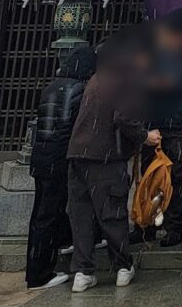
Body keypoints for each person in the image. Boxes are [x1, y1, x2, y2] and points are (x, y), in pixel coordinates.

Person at [66, 32, 159, 291]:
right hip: (105, 155)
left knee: (82, 215)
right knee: (112, 213)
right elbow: (123, 118)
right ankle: (121, 265)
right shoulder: (125, 80)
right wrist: (144, 136)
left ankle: (82, 271)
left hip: (78, 153)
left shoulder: (96, 80)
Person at [25, 43, 95, 289]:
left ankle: (62, 242)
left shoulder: (51, 88)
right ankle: (38, 274)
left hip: (41, 157)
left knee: (41, 214)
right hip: (60, 159)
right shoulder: (80, 90)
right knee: (48, 215)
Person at [141, 9, 182, 248]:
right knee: (151, 178)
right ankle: (148, 223)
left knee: (178, 178)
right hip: (154, 125)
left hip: (178, 126)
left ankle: (175, 226)